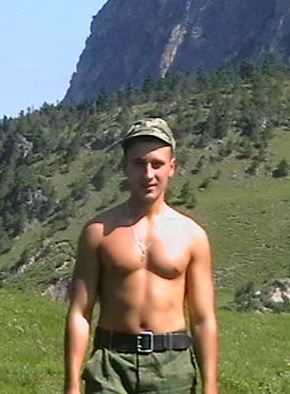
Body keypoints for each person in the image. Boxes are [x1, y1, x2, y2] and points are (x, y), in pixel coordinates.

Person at [64, 117, 218, 394]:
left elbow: (203, 319)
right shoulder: (98, 232)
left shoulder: (192, 235)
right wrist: (72, 383)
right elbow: (80, 313)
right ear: (125, 167)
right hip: (111, 364)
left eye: (157, 164)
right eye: (138, 164)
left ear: (172, 167)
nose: (148, 174)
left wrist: (210, 386)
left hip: (171, 367)